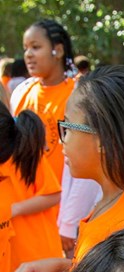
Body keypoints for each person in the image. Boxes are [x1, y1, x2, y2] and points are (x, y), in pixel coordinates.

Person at [7, 64, 124, 272]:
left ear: (104, 139)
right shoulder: (120, 202)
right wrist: (59, 266)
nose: (62, 140)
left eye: (67, 127)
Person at [0, 104, 63, 272]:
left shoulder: (25, 158)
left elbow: (52, 194)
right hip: (11, 263)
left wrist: (11, 209)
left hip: (35, 261)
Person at [10, 20, 75, 182]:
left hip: (65, 201)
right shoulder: (21, 92)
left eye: (36, 47)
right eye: (26, 48)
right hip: (26, 201)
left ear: (58, 50)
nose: (28, 54)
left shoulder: (78, 94)